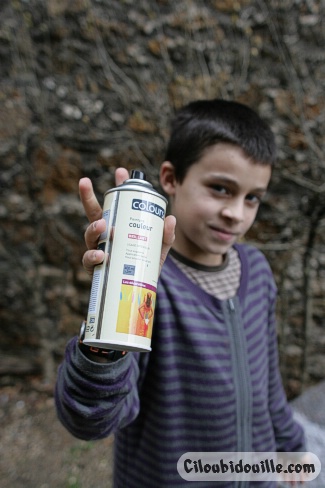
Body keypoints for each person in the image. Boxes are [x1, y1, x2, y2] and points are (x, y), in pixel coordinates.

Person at [55, 99, 306, 487]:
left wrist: (291, 450)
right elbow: (91, 420)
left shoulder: (257, 271)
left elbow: (268, 385)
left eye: (252, 197)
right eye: (220, 189)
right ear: (171, 179)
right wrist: (112, 306)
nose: (236, 214)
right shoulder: (150, 288)